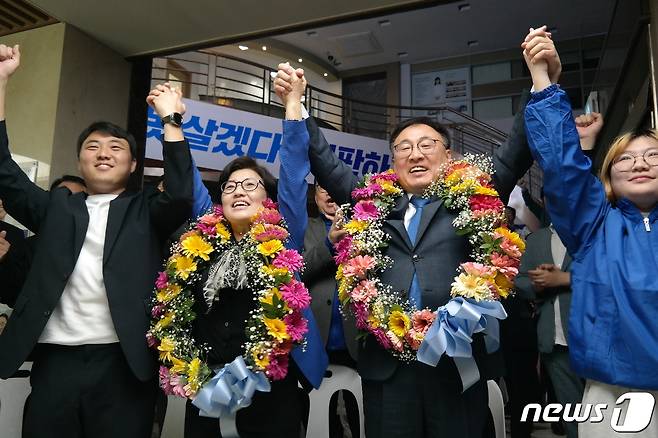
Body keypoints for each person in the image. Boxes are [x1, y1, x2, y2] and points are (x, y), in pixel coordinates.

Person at [274, 47, 538, 436]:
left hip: (456, 363)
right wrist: (295, 102)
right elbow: (324, 161)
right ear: (393, 159)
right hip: (387, 367)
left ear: (447, 155)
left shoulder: (474, 194)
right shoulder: (371, 200)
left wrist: (539, 82)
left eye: (427, 145)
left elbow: (516, 149)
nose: (415, 154)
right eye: (403, 147)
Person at [0, 43, 194, 438]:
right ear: (80, 160)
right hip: (56, 362)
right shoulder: (59, 209)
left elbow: (181, 194)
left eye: (116, 147)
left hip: (124, 364)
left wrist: (171, 121)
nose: (103, 153)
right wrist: (1, 82)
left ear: (134, 164)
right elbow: (4, 171)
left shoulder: (147, 210)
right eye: (93, 146)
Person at [523, 26, 658, 437]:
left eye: (653, 155)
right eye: (626, 159)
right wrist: (545, 83)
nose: (639, 163)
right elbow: (564, 168)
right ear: (608, 179)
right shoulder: (596, 225)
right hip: (612, 393)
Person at [175, 97, 328, 437]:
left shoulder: (283, 231)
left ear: (267, 198)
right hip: (208, 383)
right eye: (230, 187)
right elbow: (188, 177)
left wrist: (291, 106)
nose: (237, 192)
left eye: (249, 185)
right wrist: (172, 121)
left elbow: (292, 170)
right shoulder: (206, 235)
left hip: (272, 385)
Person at [515, 215, 584, 438]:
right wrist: (538, 284)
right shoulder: (537, 240)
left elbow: (608, 276)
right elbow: (520, 281)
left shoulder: (593, 233)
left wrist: (565, 279)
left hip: (591, 338)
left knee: (604, 413)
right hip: (553, 340)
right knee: (572, 413)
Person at [303, 182, 360, 437]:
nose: (328, 192)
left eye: (332, 187)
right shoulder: (304, 227)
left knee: (361, 409)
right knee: (317, 413)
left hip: (357, 339)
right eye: (321, 188)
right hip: (316, 337)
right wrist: (328, 243)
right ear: (315, 197)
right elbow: (298, 270)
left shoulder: (364, 225)